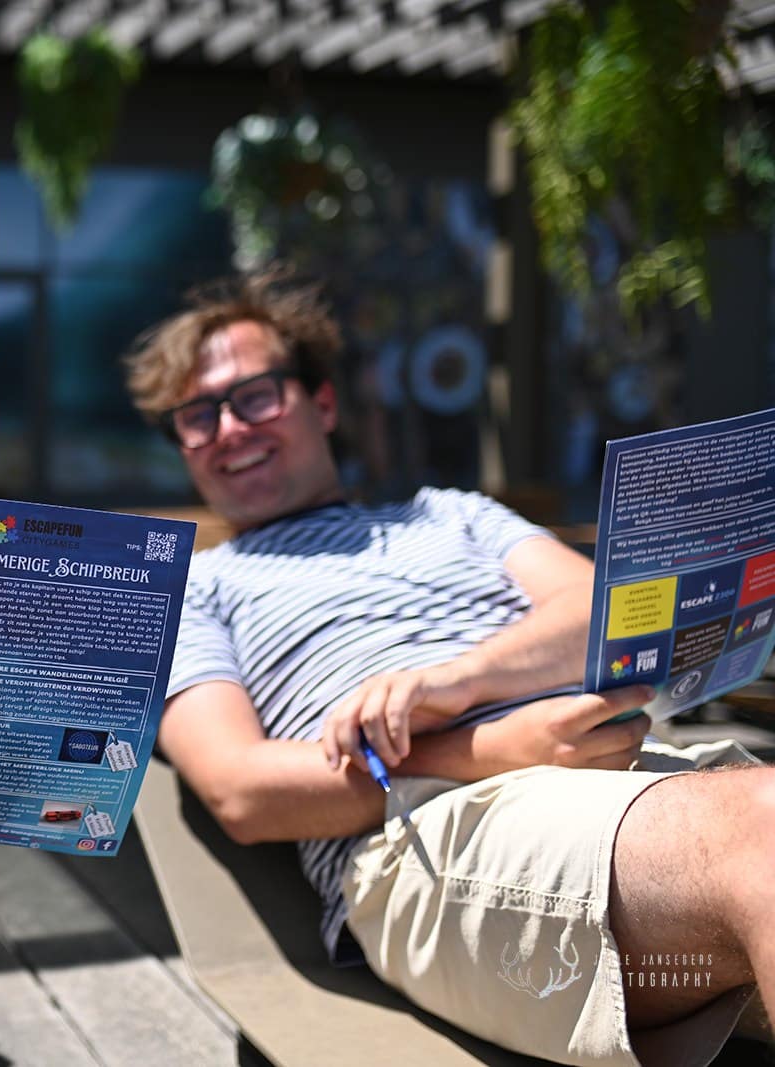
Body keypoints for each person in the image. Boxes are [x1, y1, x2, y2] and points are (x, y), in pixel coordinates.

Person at [125, 267, 770, 1066]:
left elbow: (600, 613)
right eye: (197, 416)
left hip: (630, 782)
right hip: (427, 839)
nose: (228, 427)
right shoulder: (194, 589)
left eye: (255, 396)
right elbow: (240, 789)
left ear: (321, 403)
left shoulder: (450, 512)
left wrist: (454, 682)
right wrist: (492, 749)